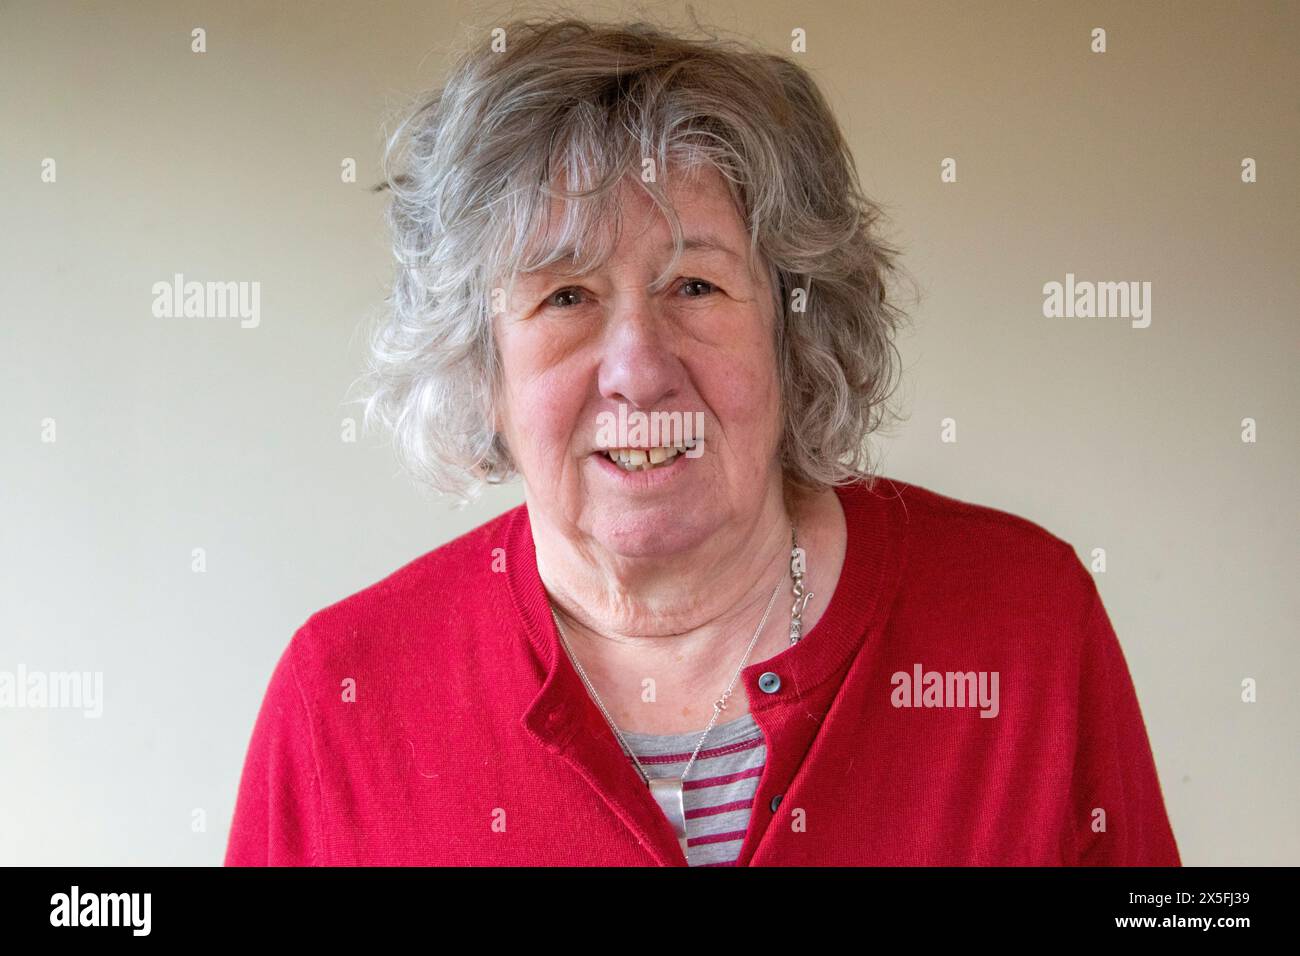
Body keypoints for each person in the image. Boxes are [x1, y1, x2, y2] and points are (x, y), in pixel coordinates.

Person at [225, 17, 1179, 866]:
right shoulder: (342, 699)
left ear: (792, 333)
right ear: (483, 368)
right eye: (566, 297)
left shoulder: (1025, 629)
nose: (639, 369)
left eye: (697, 287)